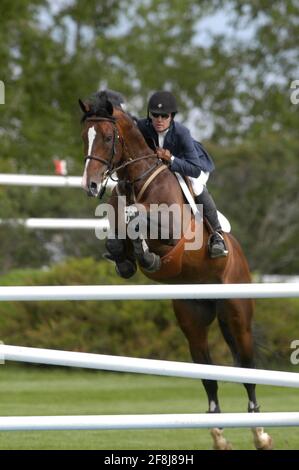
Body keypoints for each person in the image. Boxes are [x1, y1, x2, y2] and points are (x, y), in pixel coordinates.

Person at [136, 91, 228, 258]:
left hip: (192, 163)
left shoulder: (181, 132)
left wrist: (170, 158)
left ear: (172, 116)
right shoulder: (143, 127)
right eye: (155, 115)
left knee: (196, 185)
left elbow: (195, 168)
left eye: (164, 116)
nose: (159, 120)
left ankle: (217, 235)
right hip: (162, 168)